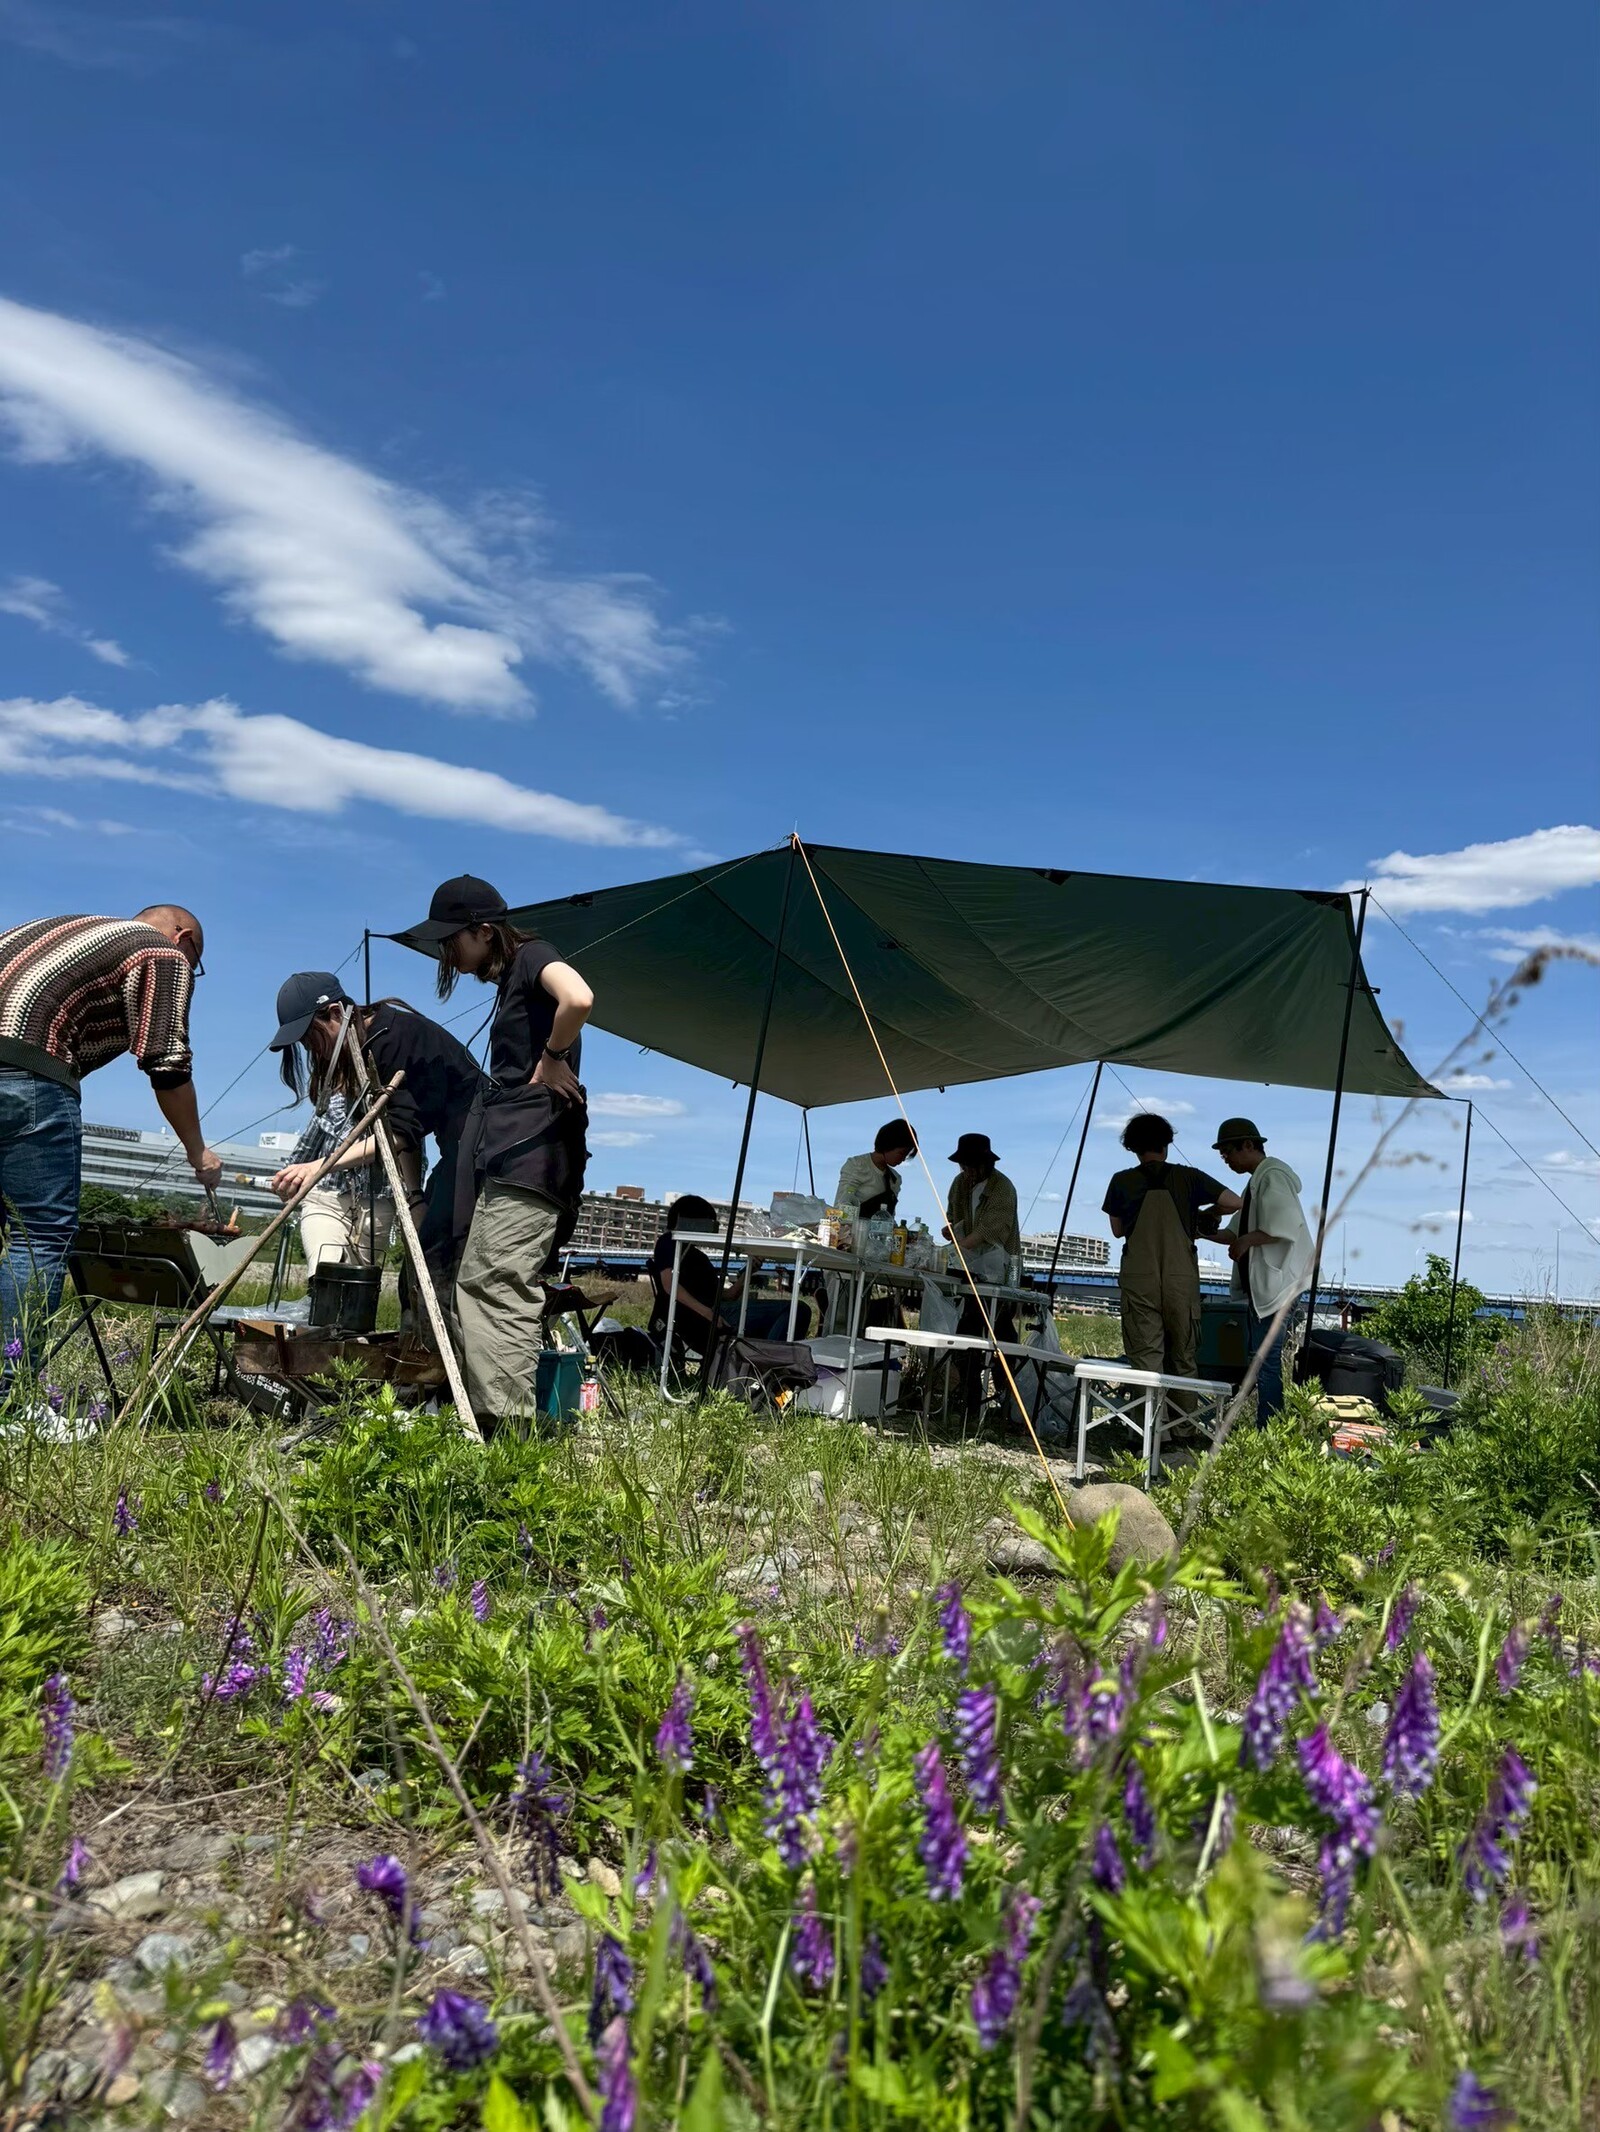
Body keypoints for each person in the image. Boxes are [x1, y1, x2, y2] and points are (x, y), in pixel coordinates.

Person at [1, 907, 220, 1380]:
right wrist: (198, 1150)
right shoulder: (162, 951)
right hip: (24, 1071)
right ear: (183, 939)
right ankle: (10, 1395)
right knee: (38, 1237)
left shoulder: (50, 930)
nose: (191, 971)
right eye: (195, 960)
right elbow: (167, 1061)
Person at [410, 874, 593, 1432]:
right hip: (516, 1154)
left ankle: (509, 1437)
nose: (450, 954)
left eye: (454, 941)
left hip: (533, 1156)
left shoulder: (535, 955)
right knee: (477, 1278)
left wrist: (554, 1055)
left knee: (497, 1282)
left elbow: (579, 996)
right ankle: (485, 1418)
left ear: (485, 931)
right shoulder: (512, 975)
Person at [268, 972, 484, 1300]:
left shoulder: (390, 1039)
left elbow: (395, 1135)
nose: (311, 1048)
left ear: (337, 1014)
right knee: (417, 1273)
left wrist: (320, 1167)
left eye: (311, 1037)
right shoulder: (371, 1041)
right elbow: (407, 1128)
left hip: (484, 1149)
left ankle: (439, 1346)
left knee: (440, 1267)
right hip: (457, 1151)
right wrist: (414, 1196)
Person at [1102, 1114, 1240, 1383]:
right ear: (1166, 1144)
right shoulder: (1189, 1177)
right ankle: (1182, 1425)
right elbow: (1234, 1202)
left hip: (1140, 1279)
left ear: (1132, 1147)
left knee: (1145, 1360)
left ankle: (1149, 1424)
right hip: (1181, 1279)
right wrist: (1204, 1215)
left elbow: (1118, 1231)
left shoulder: (1120, 1181)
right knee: (1183, 1359)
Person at [1212, 1116, 1313, 1421]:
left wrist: (1245, 1243)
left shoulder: (1272, 1177)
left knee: (1266, 1361)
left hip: (1281, 1285)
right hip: (1269, 1288)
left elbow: (1282, 1228)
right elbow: (1233, 1232)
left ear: (1248, 1145)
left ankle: (1268, 1428)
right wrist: (1199, 1230)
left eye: (1228, 1151)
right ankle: (1264, 1423)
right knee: (1261, 1360)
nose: (1226, 1159)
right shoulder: (1256, 1183)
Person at [647, 1194, 811, 1362]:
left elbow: (729, 1294)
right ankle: (767, 1363)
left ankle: (764, 1360)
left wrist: (748, 1272)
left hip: (718, 1311)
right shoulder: (670, 1242)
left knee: (795, 1311)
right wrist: (708, 1313)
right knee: (796, 1310)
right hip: (702, 1318)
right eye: (708, 1222)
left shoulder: (698, 1256)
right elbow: (669, 1285)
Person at [272, 1087, 394, 1273]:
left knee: (356, 1283)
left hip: (376, 1208)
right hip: (326, 1200)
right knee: (326, 1272)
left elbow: (410, 1152)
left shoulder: (398, 1105)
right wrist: (288, 1179)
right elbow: (303, 1153)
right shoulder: (332, 1101)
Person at [943, 1132, 1022, 1416]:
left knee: (995, 1328)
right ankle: (968, 1393)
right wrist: (952, 1233)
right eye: (964, 1166)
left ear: (986, 1163)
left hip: (998, 1268)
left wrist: (960, 1245)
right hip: (967, 1265)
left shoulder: (1003, 1187)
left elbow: (992, 1230)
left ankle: (1004, 1395)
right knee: (968, 1328)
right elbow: (954, 1217)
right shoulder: (959, 1184)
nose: (968, 1172)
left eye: (972, 1166)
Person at [834, 1120, 918, 1220]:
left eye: (906, 1155)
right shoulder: (857, 1165)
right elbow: (842, 1203)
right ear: (889, 1145)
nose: (903, 1159)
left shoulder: (895, 1179)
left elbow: (890, 1215)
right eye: (901, 1153)